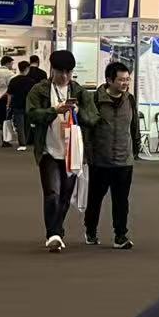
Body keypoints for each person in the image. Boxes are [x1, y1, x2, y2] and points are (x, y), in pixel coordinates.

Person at [27, 49, 100, 252]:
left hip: (72, 151)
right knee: (52, 193)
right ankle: (53, 234)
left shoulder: (79, 92)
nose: (65, 76)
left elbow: (94, 118)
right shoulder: (39, 90)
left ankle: (57, 230)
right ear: (52, 69)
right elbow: (31, 114)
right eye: (61, 72)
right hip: (48, 150)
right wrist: (53, 111)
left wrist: (79, 112)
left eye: (69, 72)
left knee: (66, 196)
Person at [87, 60, 141, 250]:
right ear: (109, 80)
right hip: (100, 160)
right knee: (95, 199)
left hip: (124, 160)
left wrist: (134, 149)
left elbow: (134, 127)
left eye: (127, 79)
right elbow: (88, 129)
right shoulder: (95, 99)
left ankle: (120, 235)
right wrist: (88, 155)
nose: (125, 83)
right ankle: (90, 230)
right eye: (121, 80)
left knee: (121, 201)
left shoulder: (130, 99)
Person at [6, 58, 35, 152]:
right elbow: (33, 95)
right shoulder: (31, 81)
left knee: (20, 125)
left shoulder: (14, 80)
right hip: (28, 105)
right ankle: (26, 140)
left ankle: (22, 143)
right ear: (27, 68)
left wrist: (8, 105)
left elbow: (9, 94)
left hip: (17, 104)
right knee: (27, 124)